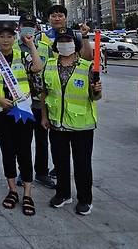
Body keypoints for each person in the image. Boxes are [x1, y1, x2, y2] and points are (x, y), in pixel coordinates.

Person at [41, 27, 102, 216]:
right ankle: (63, 194)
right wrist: (44, 116)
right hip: (56, 123)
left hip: (81, 125)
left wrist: (97, 89)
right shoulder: (50, 64)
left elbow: (96, 97)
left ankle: (85, 199)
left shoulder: (87, 67)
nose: (64, 44)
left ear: (75, 44)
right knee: (60, 162)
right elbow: (45, 92)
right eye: (61, 41)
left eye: (68, 41)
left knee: (82, 164)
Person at [0, 22, 43, 216]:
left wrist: (31, 45)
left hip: (22, 110)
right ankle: (12, 190)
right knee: (7, 150)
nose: (5, 39)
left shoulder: (22, 55)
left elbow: (37, 67)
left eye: (9, 36)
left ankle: (27, 192)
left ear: (14, 38)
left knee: (24, 151)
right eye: (1, 36)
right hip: (2, 111)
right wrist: (0, 99)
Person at [15, 14, 56, 190]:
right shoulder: (13, 47)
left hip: (40, 102)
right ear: (19, 27)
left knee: (41, 139)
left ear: (37, 28)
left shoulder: (45, 48)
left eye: (31, 26)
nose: (28, 29)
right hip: (20, 102)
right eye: (25, 26)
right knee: (22, 140)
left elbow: (50, 71)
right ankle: (23, 172)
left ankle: (41, 172)